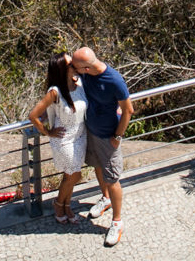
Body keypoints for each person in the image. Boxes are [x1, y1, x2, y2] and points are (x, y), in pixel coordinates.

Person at [70, 45, 132, 247]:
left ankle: (117, 221)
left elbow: (128, 110)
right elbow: (67, 63)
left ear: (86, 68)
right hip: (92, 131)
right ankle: (104, 198)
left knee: (112, 179)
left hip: (108, 136)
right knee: (97, 166)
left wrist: (118, 136)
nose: (75, 69)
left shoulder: (114, 80)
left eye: (77, 67)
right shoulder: (86, 74)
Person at [27, 52, 87, 224]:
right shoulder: (55, 92)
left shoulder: (80, 83)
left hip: (80, 136)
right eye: (70, 63)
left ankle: (66, 205)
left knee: (73, 176)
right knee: (74, 175)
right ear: (62, 69)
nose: (74, 65)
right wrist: (47, 132)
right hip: (64, 139)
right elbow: (33, 115)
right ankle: (59, 204)